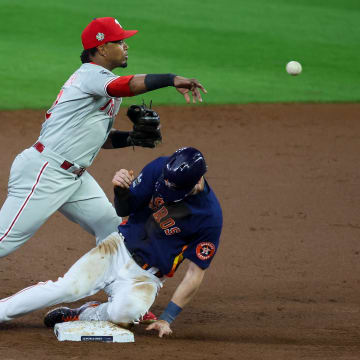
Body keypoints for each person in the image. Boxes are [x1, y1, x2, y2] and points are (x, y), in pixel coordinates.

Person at [0, 17, 207, 258]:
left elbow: (100, 137)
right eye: (119, 41)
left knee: (113, 230)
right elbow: (126, 85)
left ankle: (118, 292)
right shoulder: (91, 76)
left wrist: (131, 138)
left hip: (73, 177)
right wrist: (170, 79)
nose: (126, 46)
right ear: (101, 48)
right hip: (45, 172)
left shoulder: (102, 82)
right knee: (4, 240)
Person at [0, 147, 222, 338]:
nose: (167, 188)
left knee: (123, 316)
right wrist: (120, 189)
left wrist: (167, 318)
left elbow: (195, 273)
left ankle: (84, 313)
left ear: (198, 180)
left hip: (146, 278)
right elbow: (124, 209)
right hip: (116, 249)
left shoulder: (210, 217)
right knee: (66, 286)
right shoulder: (160, 168)